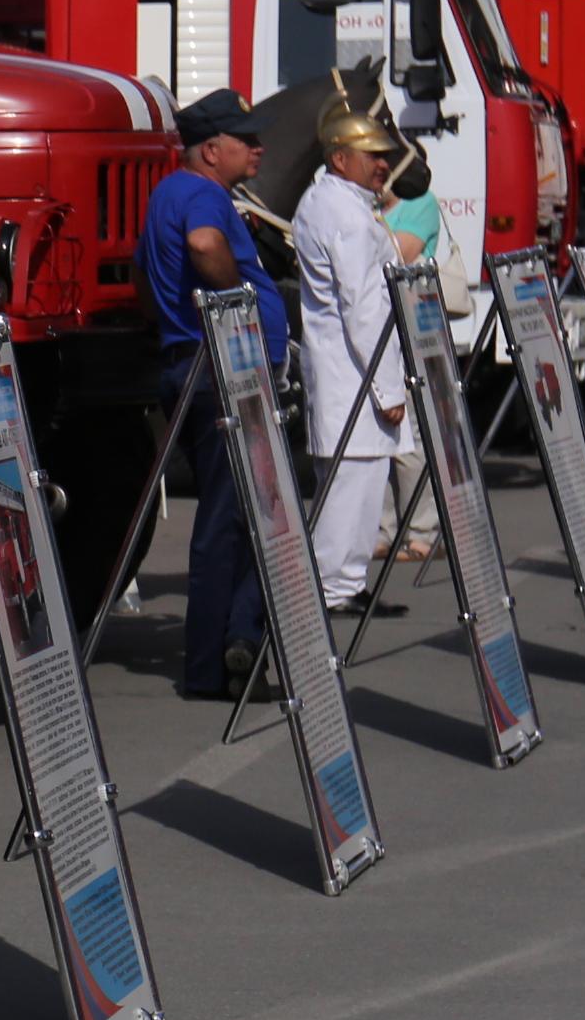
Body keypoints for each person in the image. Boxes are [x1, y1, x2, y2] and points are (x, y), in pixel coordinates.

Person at [139, 89, 286, 700]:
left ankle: (238, 640)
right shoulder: (201, 195)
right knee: (238, 517)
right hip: (220, 365)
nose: (257, 147)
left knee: (243, 511)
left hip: (197, 366)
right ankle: (215, 662)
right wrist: (240, 308)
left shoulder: (174, 192)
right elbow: (203, 245)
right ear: (209, 149)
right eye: (243, 138)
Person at [293, 105, 414, 618]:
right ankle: (331, 586)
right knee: (350, 484)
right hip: (354, 373)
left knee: (359, 484)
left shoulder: (332, 201)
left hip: (347, 370)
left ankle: (346, 582)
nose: (382, 164)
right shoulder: (343, 212)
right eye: (372, 156)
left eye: (384, 156)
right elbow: (363, 308)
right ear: (341, 159)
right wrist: (388, 390)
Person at [380, 171, 445, 564]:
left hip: (413, 327)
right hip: (374, 328)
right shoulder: (364, 207)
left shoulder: (420, 202)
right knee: (374, 434)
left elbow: (398, 253)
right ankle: (381, 529)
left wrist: (368, 224)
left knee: (411, 433)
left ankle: (423, 529)